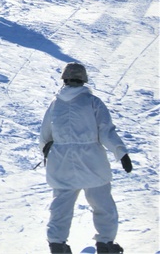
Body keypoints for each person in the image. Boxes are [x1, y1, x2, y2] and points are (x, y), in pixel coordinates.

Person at [40, 63, 133, 254]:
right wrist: (121, 153)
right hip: (92, 161)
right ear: (83, 79)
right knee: (102, 204)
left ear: (64, 79)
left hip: (61, 162)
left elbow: (44, 136)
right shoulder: (92, 102)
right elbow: (106, 131)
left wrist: (47, 153)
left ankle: (57, 245)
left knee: (61, 206)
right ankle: (106, 244)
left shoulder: (55, 104)